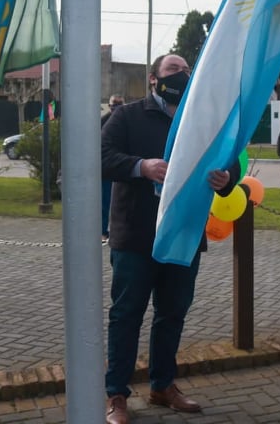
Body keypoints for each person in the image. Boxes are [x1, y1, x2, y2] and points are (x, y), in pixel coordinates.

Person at [101, 54, 240, 424]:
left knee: (172, 314)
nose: (182, 74)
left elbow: (231, 162)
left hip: (184, 236)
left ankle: (163, 386)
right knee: (126, 315)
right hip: (136, 237)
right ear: (154, 79)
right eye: (173, 70)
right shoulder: (127, 115)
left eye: (186, 70)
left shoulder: (203, 119)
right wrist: (141, 167)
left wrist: (227, 178)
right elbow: (101, 156)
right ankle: (116, 394)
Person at [100, 94, 125, 244]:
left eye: (119, 105)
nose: (116, 108)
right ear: (109, 106)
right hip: (107, 168)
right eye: (113, 105)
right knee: (104, 202)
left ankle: (116, 230)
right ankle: (103, 231)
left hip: (123, 167)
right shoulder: (102, 122)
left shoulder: (127, 121)